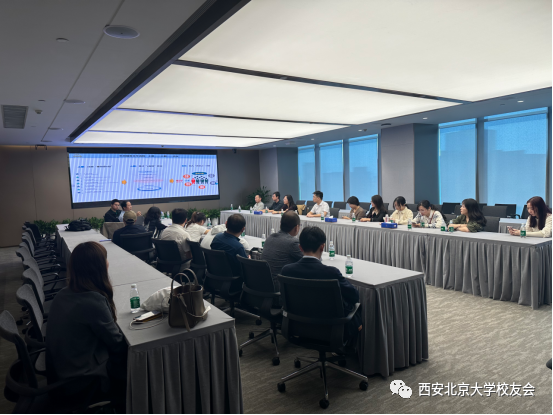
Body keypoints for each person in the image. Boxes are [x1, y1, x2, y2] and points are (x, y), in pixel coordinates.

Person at [46, 241, 126, 410]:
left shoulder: (62, 294)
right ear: (99, 267)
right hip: (84, 380)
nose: (108, 263)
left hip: (64, 371)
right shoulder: (92, 301)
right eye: (105, 259)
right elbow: (117, 344)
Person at [281, 227, 362, 339]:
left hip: (297, 326)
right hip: (330, 329)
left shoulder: (286, 270)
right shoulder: (331, 273)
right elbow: (354, 296)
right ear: (322, 247)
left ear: (300, 248)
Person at [261, 211, 303, 290]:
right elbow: (309, 259)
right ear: (297, 227)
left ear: (280, 224)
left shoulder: (270, 237)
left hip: (263, 284)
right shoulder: (293, 242)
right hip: (279, 287)